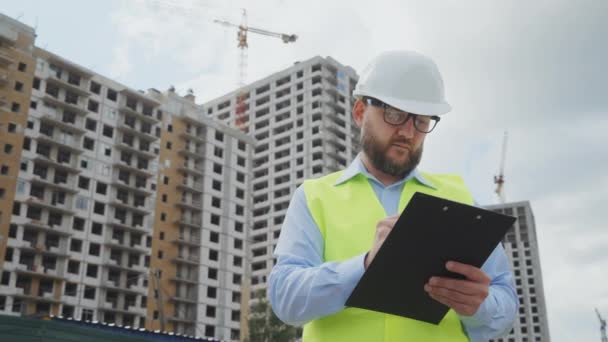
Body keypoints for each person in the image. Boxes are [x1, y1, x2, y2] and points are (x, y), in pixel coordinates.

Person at [268, 50, 518, 341]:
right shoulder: (315, 197)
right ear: (360, 112)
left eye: (422, 120)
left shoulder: (459, 199)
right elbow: (285, 300)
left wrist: (479, 306)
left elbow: (506, 307)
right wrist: (364, 266)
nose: (408, 133)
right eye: (395, 115)